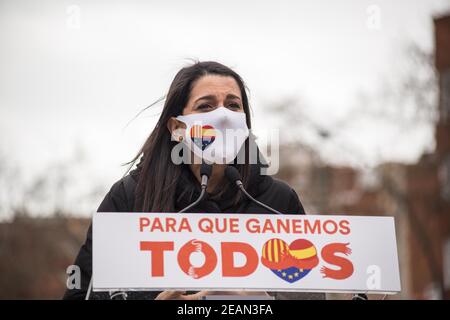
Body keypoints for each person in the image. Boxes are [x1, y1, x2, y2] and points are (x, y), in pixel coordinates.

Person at [63, 61, 319, 300]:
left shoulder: (278, 202)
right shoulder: (129, 197)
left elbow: (310, 292)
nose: (222, 117)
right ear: (176, 127)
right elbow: (83, 291)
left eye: (232, 105)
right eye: (205, 106)